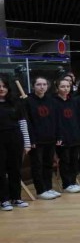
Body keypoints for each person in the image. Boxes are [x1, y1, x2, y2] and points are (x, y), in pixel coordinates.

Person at [0, 75, 31, 211]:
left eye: (4, 86)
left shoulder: (15, 103)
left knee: (15, 169)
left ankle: (16, 197)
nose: (1, 89)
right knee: (1, 170)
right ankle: (4, 199)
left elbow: (23, 123)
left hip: (15, 138)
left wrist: (27, 143)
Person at [26, 77, 59, 199]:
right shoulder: (27, 101)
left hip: (50, 138)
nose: (42, 87)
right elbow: (28, 122)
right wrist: (31, 139)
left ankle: (48, 188)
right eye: (39, 84)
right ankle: (40, 190)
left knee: (48, 164)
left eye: (44, 84)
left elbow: (55, 119)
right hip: (36, 140)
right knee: (37, 165)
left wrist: (57, 135)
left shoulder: (51, 100)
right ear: (33, 86)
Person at [54, 78, 80, 193]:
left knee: (74, 160)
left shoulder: (73, 101)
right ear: (57, 88)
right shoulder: (54, 102)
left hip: (75, 135)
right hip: (62, 137)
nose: (66, 89)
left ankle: (73, 182)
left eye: (68, 86)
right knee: (65, 160)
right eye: (62, 86)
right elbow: (55, 122)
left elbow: (79, 119)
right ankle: (66, 184)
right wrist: (58, 136)